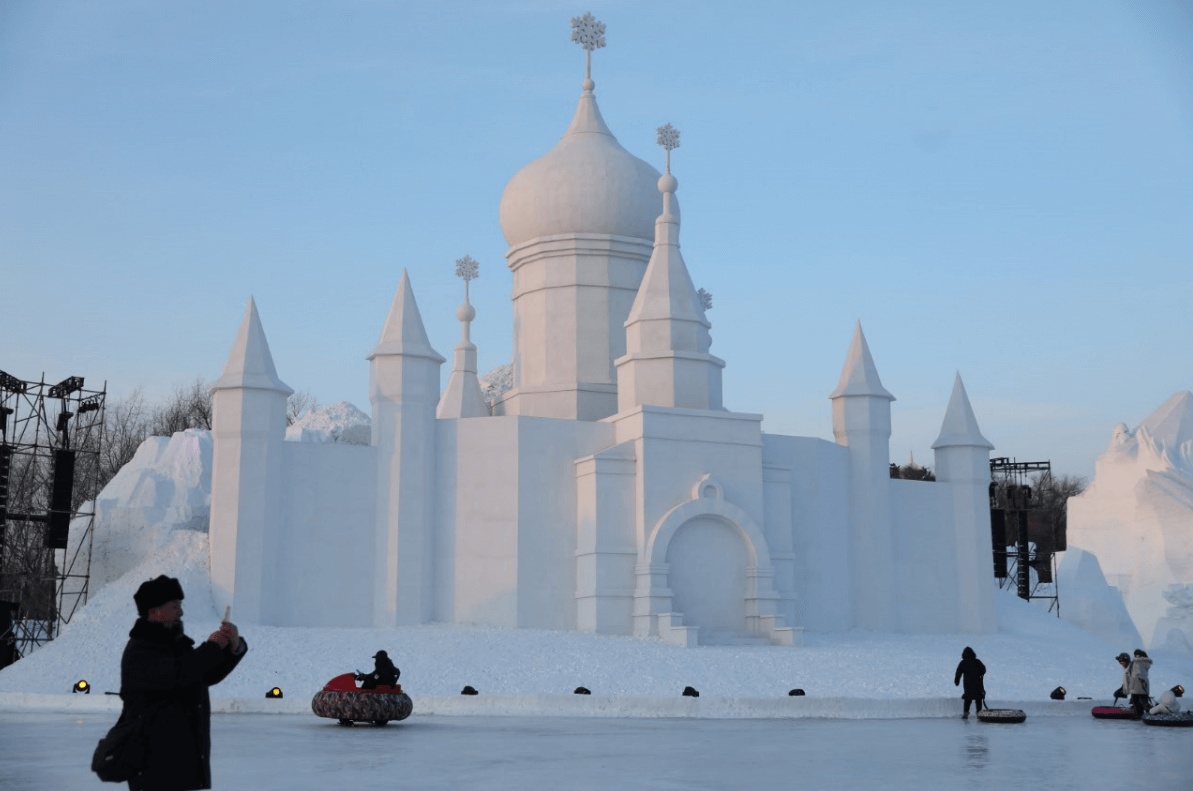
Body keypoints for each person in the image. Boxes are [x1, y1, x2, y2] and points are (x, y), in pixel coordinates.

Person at [120, 575, 247, 791]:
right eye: (175, 606)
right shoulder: (141, 650)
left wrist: (232, 647)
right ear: (155, 611)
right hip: (153, 763)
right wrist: (212, 647)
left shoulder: (174, 644)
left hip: (180, 760)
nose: (181, 612)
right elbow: (179, 674)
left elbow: (204, 676)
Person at [954, 646, 986, 719]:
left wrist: (957, 681)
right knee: (978, 699)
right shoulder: (977, 661)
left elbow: (958, 673)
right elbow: (983, 670)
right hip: (978, 684)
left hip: (968, 684)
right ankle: (979, 714)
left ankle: (965, 714)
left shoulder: (963, 663)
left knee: (968, 699)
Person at [1127, 648, 1153, 717]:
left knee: (1136, 700)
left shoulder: (1137, 662)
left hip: (1136, 683)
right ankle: (1148, 714)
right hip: (1144, 683)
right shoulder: (1145, 662)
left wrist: (1139, 677)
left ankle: (1138, 715)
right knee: (1144, 700)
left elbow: (1138, 671)